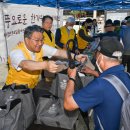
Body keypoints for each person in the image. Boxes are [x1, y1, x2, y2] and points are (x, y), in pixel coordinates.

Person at [64, 37, 130, 130]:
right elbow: (114, 81)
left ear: (100, 57)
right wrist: (93, 72)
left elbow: (68, 104)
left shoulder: (100, 85)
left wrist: (71, 77)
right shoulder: (127, 75)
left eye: (96, 54)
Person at [5, 25, 86, 89]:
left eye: (42, 40)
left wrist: (75, 56)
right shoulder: (16, 52)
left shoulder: (41, 47)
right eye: (37, 40)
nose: (40, 43)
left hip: (31, 87)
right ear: (26, 40)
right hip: (14, 90)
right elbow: (25, 64)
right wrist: (46, 65)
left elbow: (58, 52)